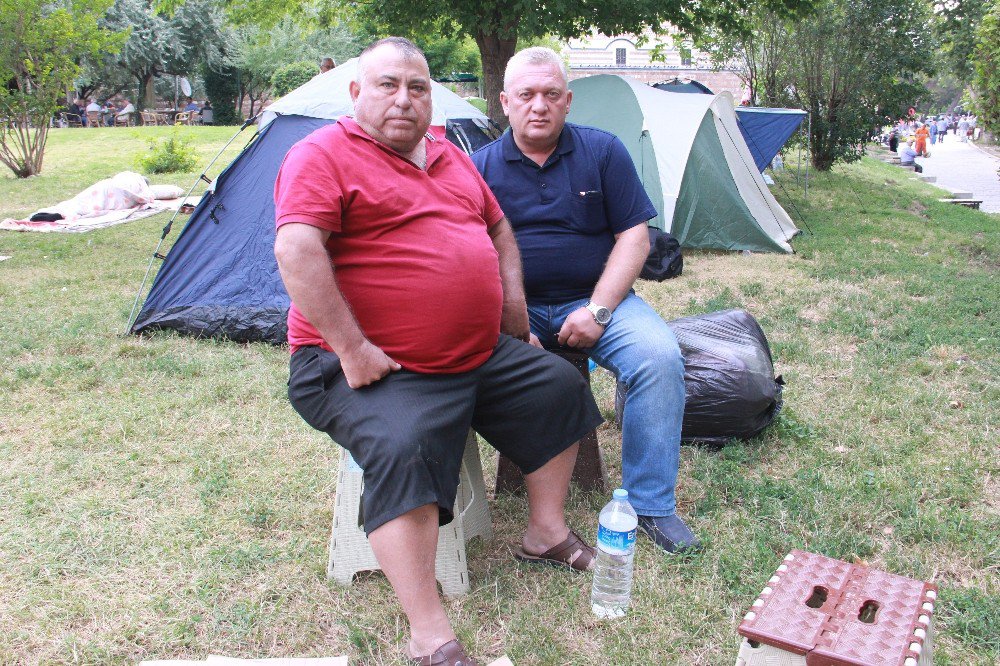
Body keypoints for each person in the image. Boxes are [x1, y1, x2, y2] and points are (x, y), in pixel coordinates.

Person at [273, 37, 603, 666]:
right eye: (388, 85)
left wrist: (510, 317)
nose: (404, 99)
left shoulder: (449, 155)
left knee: (560, 385)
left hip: (473, 353)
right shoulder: (321, 155)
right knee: (405, 445)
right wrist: (353, 348)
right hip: (367, 362)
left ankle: (545, 532)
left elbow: (498, 228)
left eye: (417, 88)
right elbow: (296, 250)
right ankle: (429, 634)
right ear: (355, 94)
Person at [471, 47, 700, 555]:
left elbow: (635, 239)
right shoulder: (477, 168)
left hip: (599, 300)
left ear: (568, 101)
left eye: (551, 94)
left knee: (659, 357)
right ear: (505, 102)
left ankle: (652, 505)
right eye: (526, 95)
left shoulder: (603, 152)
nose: (539, 106)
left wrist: (598, 311)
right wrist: (509, 321)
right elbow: (469, 258)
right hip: (514, 309)